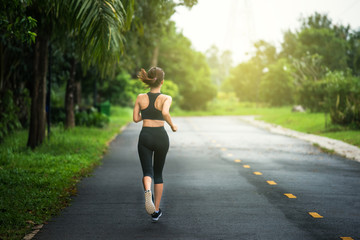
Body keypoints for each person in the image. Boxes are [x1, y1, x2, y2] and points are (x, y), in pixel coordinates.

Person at [133, 67, 177, 222]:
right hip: (160, 136)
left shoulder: (140, 97)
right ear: (162, 81)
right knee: (158, 173)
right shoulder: (166, 98)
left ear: (149, 80)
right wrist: (172, 125)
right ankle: (156, 211)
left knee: (147, 172)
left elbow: (136, 119)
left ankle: (147, 191)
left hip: (145, 135)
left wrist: (145, 113)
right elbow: (165, 113)